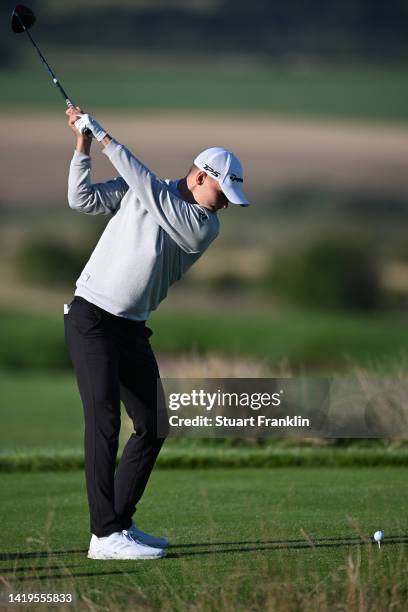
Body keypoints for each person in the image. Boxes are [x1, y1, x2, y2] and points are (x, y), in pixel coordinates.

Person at [63, 106, 250, 561]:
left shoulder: (204, 226)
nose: (225, 202)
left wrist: (107, 137)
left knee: (152, 423)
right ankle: (104, 535)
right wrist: (84, 145)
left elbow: (148, 190)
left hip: (129, 328)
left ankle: (120, 524)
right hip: (91, 317)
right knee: (105, 422)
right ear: (201, 176)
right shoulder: (143, 190)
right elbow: (81, 200)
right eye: (222, 191)